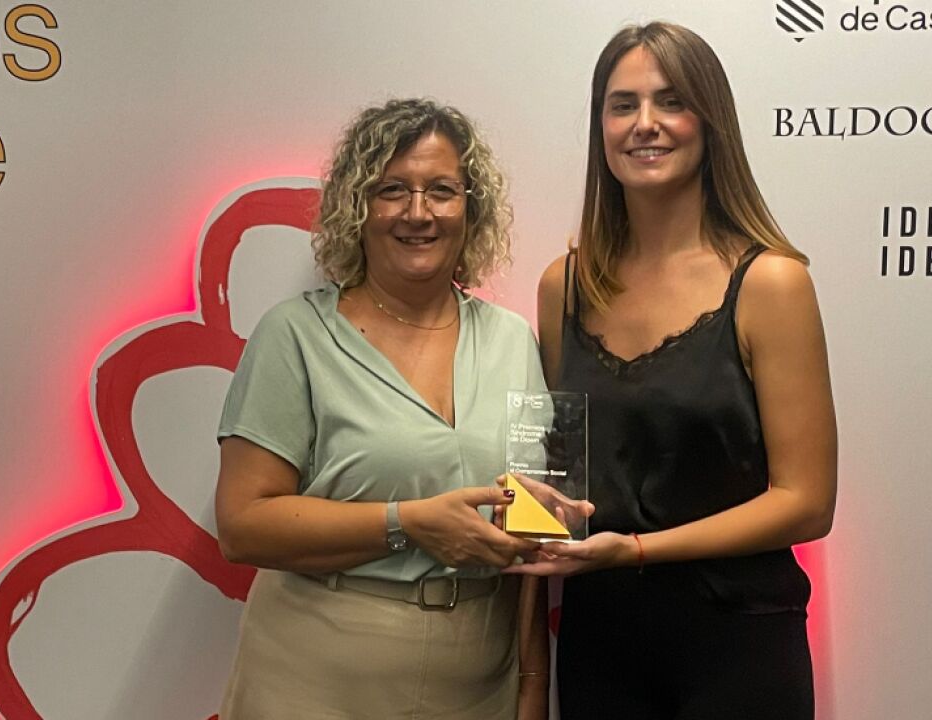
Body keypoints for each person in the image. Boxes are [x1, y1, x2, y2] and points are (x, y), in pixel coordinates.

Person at [509, 22, 838, 719]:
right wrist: (529, 515)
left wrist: (636, 550)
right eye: (622, 105)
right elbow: (560, 472)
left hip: (738, 642)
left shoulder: (770, 283)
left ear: (710, 121)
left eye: (671, 101)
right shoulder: (562, 288)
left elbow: (807, 502)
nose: (645, 124)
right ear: (601, 128)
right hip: (600, 645)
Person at [214, 98, 551, 719]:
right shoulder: (296, 336)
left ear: (471, 208)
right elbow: (242, 526)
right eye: (392, 189)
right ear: (357, 207)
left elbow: (528, 528)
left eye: (441, 190)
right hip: (317, 676)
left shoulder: (511, 339)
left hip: (479, 682)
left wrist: (533, 683)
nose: (418, 213)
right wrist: (408, 522)